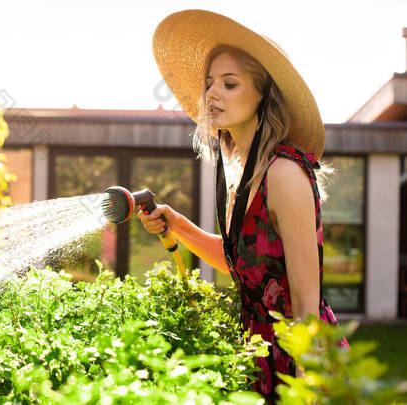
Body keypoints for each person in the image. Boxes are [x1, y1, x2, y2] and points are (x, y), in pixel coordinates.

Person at [139, 10, 350, 403]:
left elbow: (306, 303)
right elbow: (246, 266)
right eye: (209, 83)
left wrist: (305, 388)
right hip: (255, 356)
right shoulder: (236, 169)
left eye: (230, 84)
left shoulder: (284, 173)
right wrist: (179, 225)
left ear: (263, 94)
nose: (212, 94)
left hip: (299, 359)